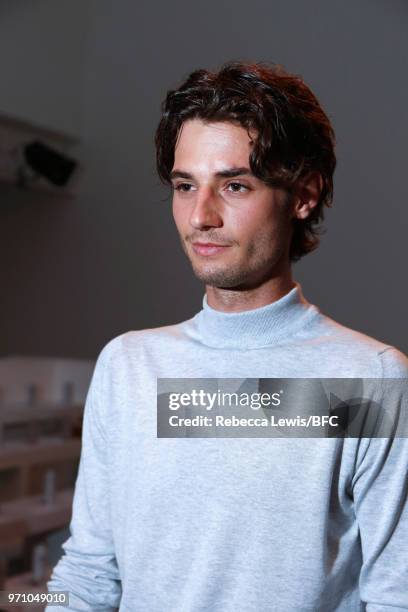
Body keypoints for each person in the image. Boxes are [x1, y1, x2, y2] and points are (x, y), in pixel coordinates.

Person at [46, 61, 408, 611]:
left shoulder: (372, 381)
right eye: (185, 186)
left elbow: (396, 595)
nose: (201, 216)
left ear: (304, 195)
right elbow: (90, 573)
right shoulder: (129, 366)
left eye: (235, 185)